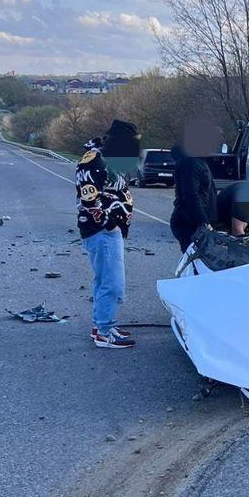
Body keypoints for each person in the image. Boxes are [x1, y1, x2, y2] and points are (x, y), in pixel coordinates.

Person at [76, 119, 138, 349]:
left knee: (104, 279)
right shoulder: (95, 160)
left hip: (111, 229)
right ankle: (104, 331)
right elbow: (88, 196)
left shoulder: (112, 159)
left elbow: (120, 188)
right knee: (113, 283)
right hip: (102, 230)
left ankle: (101, 325)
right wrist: (108, 223)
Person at [170, 119, 219, 251]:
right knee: (196, 264)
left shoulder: (198, 161)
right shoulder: (190, 162)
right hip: (190, 222)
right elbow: (190, 195)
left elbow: (207, 193)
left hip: (195, 221)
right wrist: (203, 221)